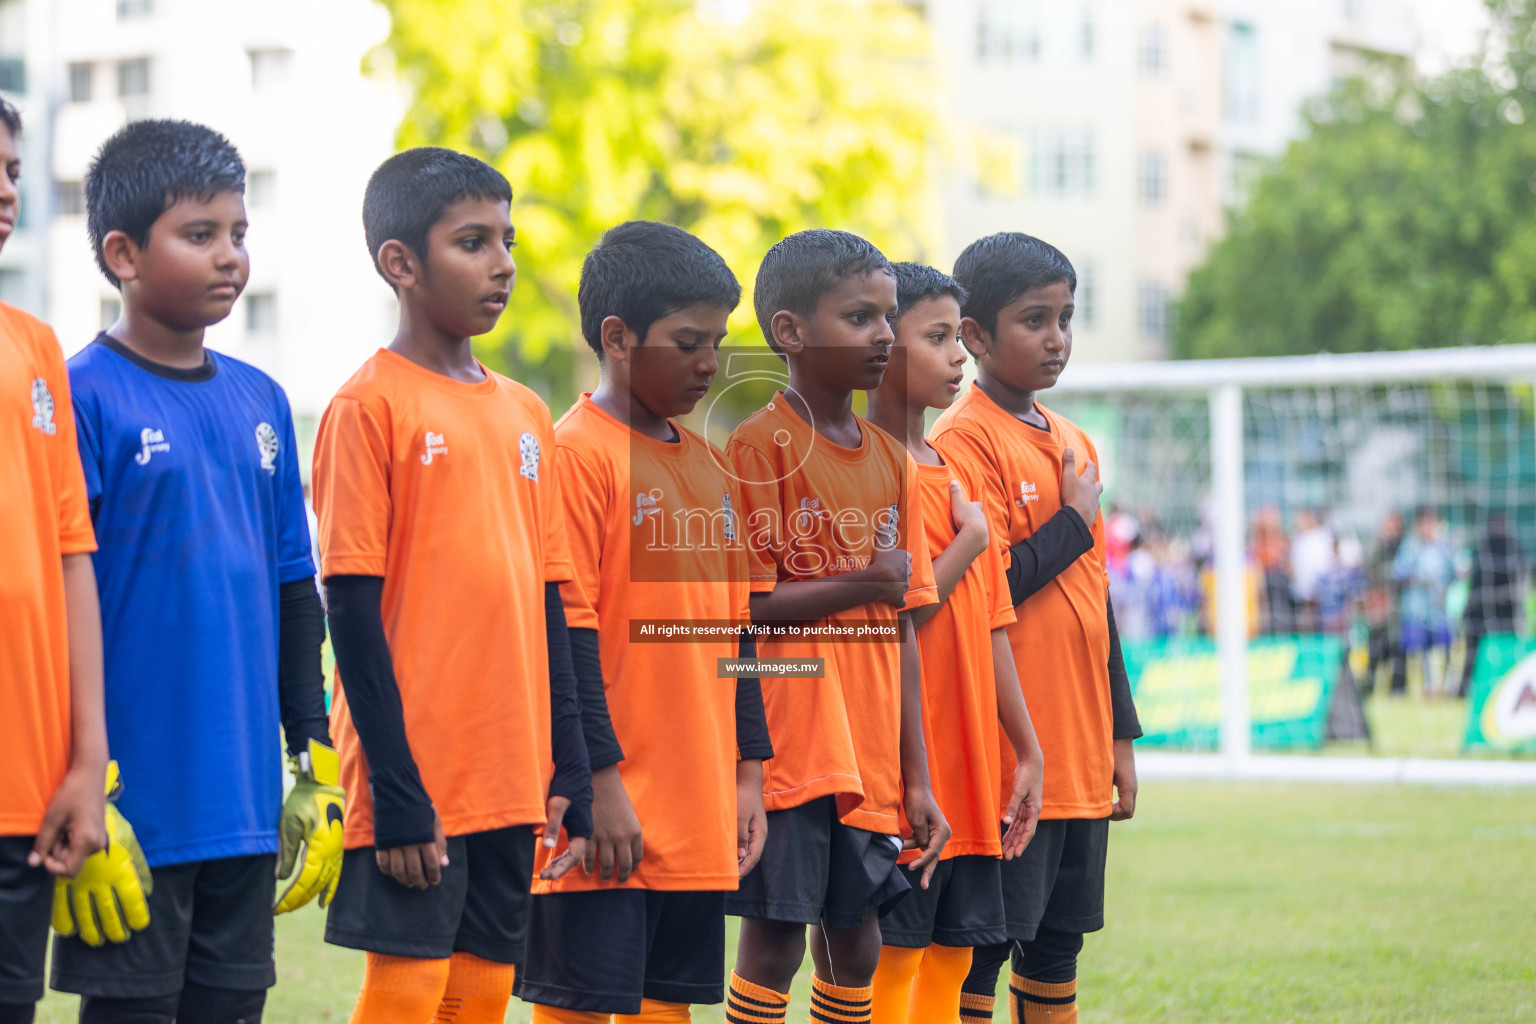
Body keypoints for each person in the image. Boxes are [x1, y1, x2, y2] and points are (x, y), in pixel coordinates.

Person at [55, 119, 339, 1024]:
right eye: (201, 234)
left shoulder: (260, 400)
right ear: (123, 253)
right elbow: (55, 605)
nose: (230, 257)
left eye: (239, 234)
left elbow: (299, 592)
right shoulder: (77, 396)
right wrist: (82, 784)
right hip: (130, 815)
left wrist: (317, 762)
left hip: (245, 810)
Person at [313, 147, 593, 1024]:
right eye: (472, 241)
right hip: (415, 774)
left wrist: (570, 765)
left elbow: (550, 596)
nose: (503, 263)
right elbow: (350, 611)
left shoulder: (525, 412)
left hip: (509, 772)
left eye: (506, 239)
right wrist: (395, 789)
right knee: (407, 992)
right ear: (400, 263)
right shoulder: (368, 407)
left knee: (480, 995)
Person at [514, 220, 773, 1023]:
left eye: (718, 341)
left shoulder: (710, 465)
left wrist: (748, 776)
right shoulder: (575, 456)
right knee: (583, 1006)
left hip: (696, 811)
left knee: (669, 1011)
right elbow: (569, 636)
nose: (710, 363)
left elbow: (738, 633)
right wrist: (598, 785)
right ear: (618, 338)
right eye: (688, 341)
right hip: (607, 815)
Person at [723, 230, 949, 1024]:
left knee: (856, 944)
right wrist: (862, 579)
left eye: (889, 318)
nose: (885, 336)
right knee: (777, 939)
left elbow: (904, 626)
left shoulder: (892, 460)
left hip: (870, 748)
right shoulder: (758, 446)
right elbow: (744, 609)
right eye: (860, 317)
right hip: (794, 740)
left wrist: (916, 776)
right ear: (790, 333)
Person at [932, 232, 1142, 1024]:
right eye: (1034, 321)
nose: (1056, 338)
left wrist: (1121, 737)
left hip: (1081, 753)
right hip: (1008, 757)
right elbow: (980, 591)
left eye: (1066, 318)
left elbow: (1099, 606)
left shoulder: (1076, 443)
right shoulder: (963, 440)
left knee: (1058, 948)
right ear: (975, 336)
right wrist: (1074, 523)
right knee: (981, 947)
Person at [863, 262, 1044, 1024]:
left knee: (957, 954)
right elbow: (889, 625)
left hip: (969, 771)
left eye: (953, 337)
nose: (956, 356)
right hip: (907, 769)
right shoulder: (865, 470)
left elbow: (994, 623)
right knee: (894, 955)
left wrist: (1027, 750)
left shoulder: (954, 469)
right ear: (879, 343)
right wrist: (967, 543)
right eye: (934, 338)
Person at [0, 95, 111, 1024]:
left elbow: (73, 554)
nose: (6, 192)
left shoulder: (36, 348)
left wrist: (86, 763)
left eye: (11, 171)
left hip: (24, 796)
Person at [1456, 515, 1527, 697]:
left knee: (1481, 655)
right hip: (1489, 612)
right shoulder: (1490, 548)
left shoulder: (1503, 548)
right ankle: (1468, 690)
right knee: (1479, 655)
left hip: (1497, 612)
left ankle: (1469, 690)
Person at [1392, 506, 1457, 697]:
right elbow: (1397, 573)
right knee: (1419, 650)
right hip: (1416, 609)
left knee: (1446, 647)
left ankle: (1447, 687)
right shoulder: (1410, 547)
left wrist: (1444, 590)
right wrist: (1417, 579)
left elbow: (1454, 573)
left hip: (1439, 609)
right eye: (1424, 523)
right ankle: (1425, 688)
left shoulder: (1444, 547)